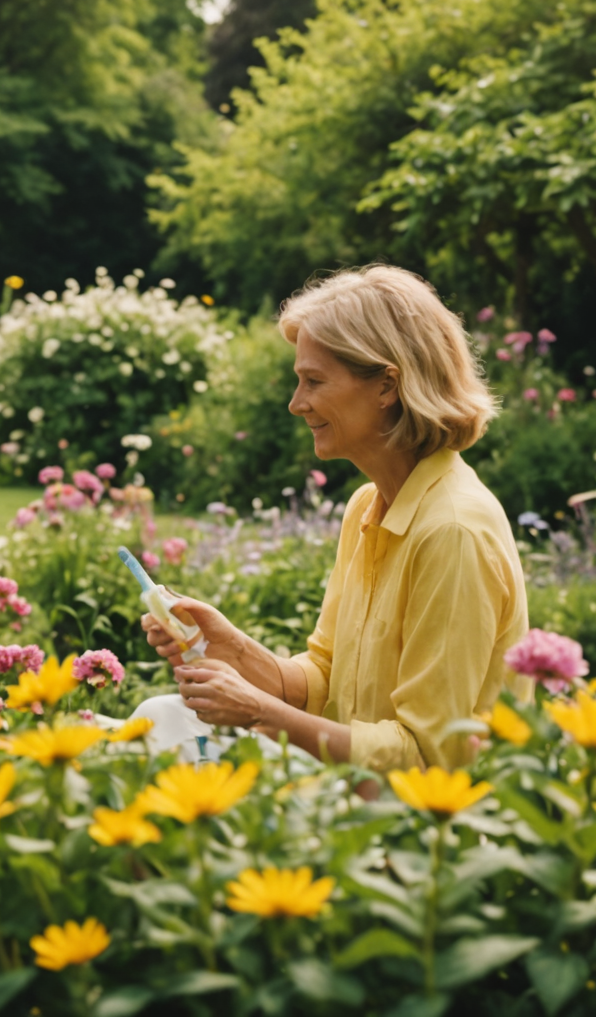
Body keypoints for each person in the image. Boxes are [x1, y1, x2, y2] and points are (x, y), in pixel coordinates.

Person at [138, 265, 531, 772]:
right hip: (359, 781)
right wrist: (231, 648)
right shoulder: (369, 507)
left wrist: (259, 711)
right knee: (159, 717)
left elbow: (431, 756)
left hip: (430, 820)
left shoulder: (452, 531)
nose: (296, 403)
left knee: (165, 746)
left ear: (387, 385)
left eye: (314, 381)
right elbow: (325, 678)